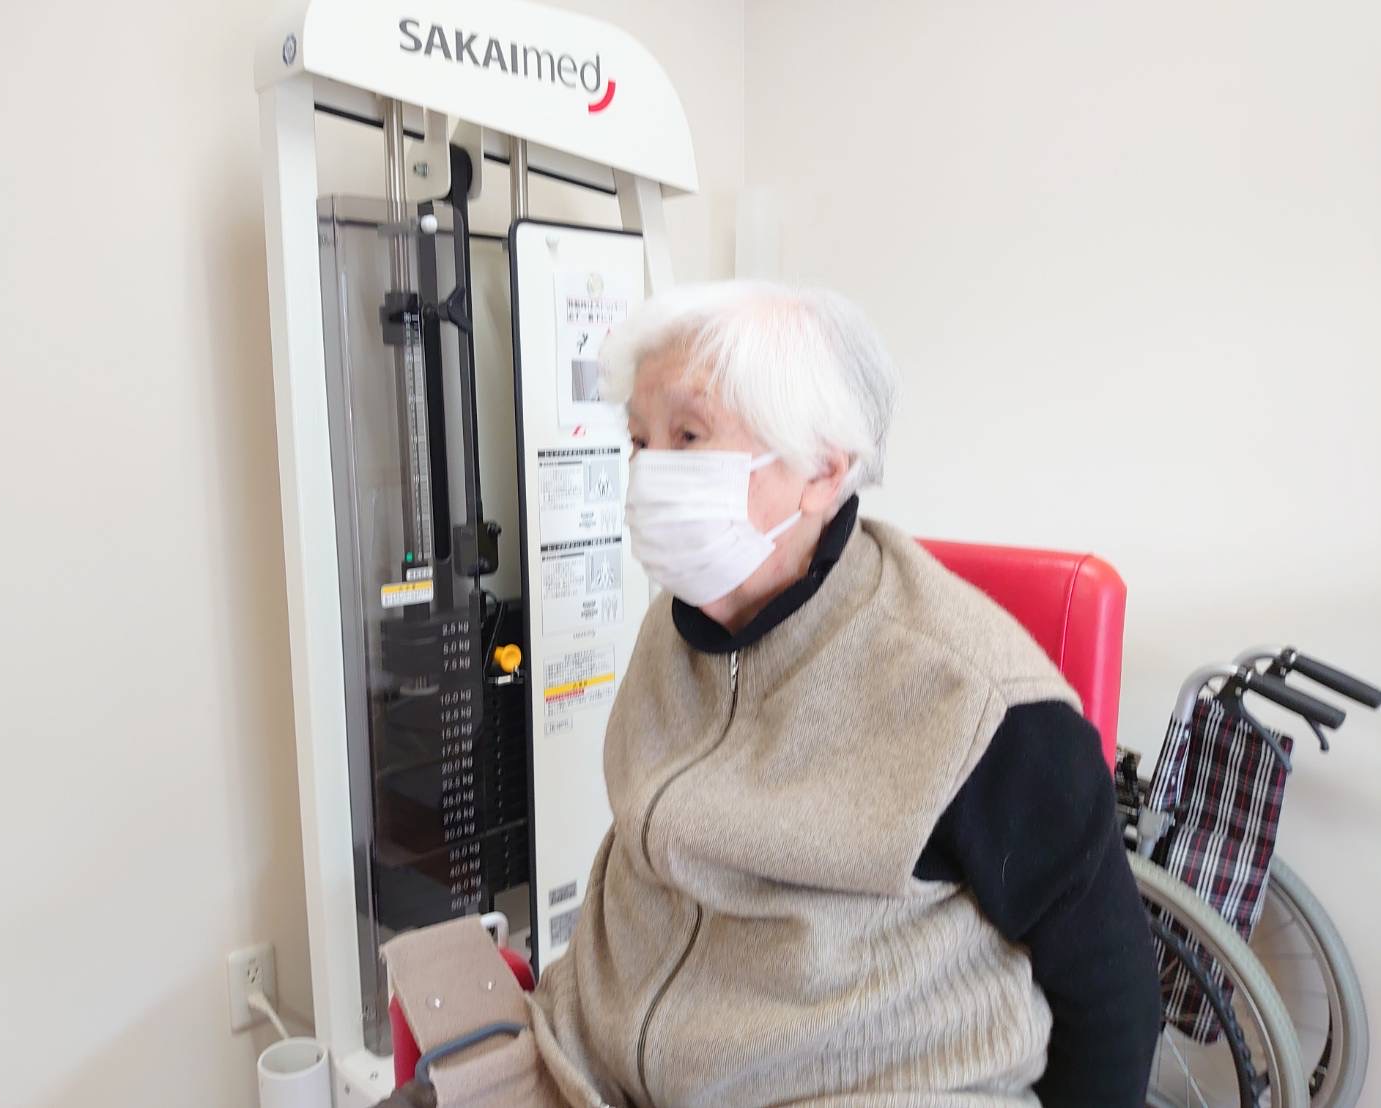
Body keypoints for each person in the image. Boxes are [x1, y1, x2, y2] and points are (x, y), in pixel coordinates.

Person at [387, 280, 1161, 1107]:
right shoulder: (671, 632)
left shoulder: (975, 701)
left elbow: (1113, 997)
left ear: (822, 469)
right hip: (593, 1065)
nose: (648, 473)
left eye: (688, 436)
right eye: (640, 440)